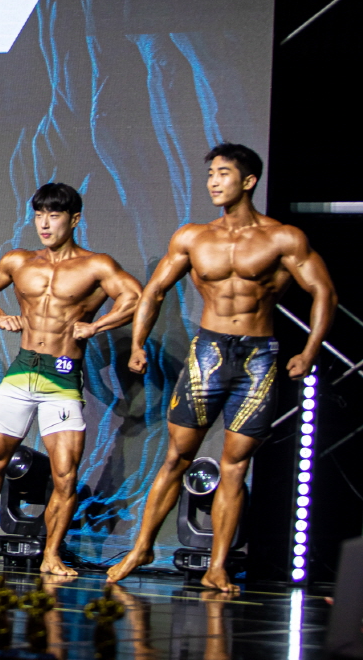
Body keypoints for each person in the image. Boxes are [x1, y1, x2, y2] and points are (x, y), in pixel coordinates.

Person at [108, 144, 335, 592]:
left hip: (258, 359)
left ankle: (217, 566)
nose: (213, 181)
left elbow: (323, 292)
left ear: (248, 181)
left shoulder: (283, 238)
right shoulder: (193, 237)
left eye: (224, 173)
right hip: (208, 354)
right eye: (211, 173)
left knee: (235, 465)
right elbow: (154, 291)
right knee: (176, 456)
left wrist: (309, 351)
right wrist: (137, 343)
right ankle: (142, 547)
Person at [0, 182, 142, 575]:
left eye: (54, 215)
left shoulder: (95, 265)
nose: (45, 224)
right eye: (39, 215)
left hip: (62, 376)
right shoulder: (21, 261)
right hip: (23, 369)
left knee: (65, 474)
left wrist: (96, 326)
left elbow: (134, 295)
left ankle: (51, 554)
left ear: (74, 219)